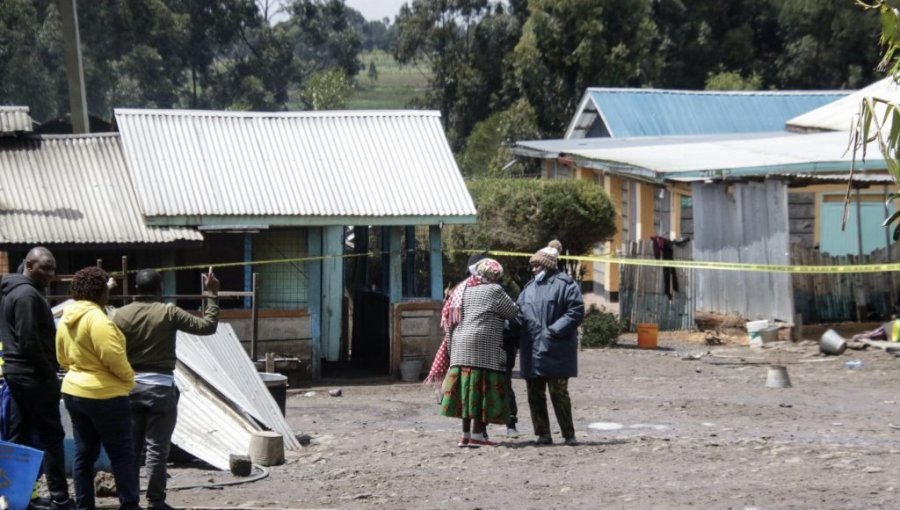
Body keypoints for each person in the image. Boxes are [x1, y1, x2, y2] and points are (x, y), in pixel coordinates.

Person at [112, 267, 219, 510]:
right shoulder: (168, 312)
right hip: (160, 389)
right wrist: (211, 295)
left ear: (136, 289)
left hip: (129, 388)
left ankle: (128, 501)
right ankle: (156, 501)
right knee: (157, 449)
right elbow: (207, 326)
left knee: (130, 449)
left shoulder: (118, 315)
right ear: (160, 289)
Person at [56, 266, 138, 510]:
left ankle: (84, 505)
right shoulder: (99, 320)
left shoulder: (66, 318)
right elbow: (114, 357)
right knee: (122, 453)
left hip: (73, 391)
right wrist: (128, 381)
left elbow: (61, 357)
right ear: (101, 292)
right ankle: (130, 505)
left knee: (84, 453)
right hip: (106, 395)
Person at [0, 247, 73, 509]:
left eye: (53, 268)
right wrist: (48, 372)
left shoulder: (13, 291)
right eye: (46, 268)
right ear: (29, 265)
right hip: (32, 375)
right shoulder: (27, 295)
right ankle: (60, 497)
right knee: (51, 436)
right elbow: (29, 341)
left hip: (17, 374)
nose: (51, 274)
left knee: (19, 439)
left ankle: (17, 498)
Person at [439, 258, 518, 447]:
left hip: (459, 346)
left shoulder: (462, 289)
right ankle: (477, 436)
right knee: (482, 391)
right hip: (483, 348)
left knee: (465, 392)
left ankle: (465, 435)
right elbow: (512, 312)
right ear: (496, 275)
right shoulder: (494, 290)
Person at [517, 240, 584, 446]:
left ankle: (568, 434)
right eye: (532, 265)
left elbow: (575, 311)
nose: (533, 269)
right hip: (532, 349)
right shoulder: (528, 289)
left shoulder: (566, 285)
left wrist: (554, 331)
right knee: (535, 396)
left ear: (547, 265)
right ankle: (543, 434)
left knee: (559, 394)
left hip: (556, 349)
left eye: (537, 265)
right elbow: (519, 314)